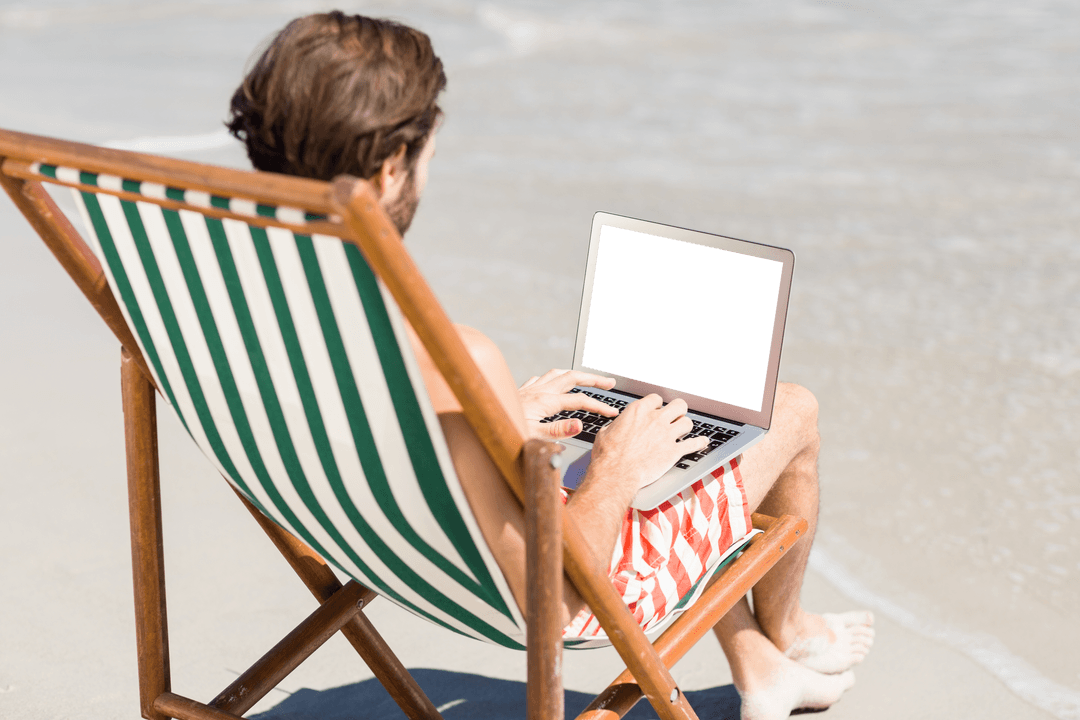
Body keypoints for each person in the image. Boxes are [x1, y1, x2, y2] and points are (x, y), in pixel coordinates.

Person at [226, 11, 874, 720]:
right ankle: (787, 631)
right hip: (571, 588)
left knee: (661, 444)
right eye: (426, 154)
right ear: (389, 170)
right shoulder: (448, 357)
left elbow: (396, 444)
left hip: (382, 554)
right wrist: (616, 468)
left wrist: (496, 421)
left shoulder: (232, 317)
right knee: (790, 412)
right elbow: (553, 601)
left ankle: (759, 663)